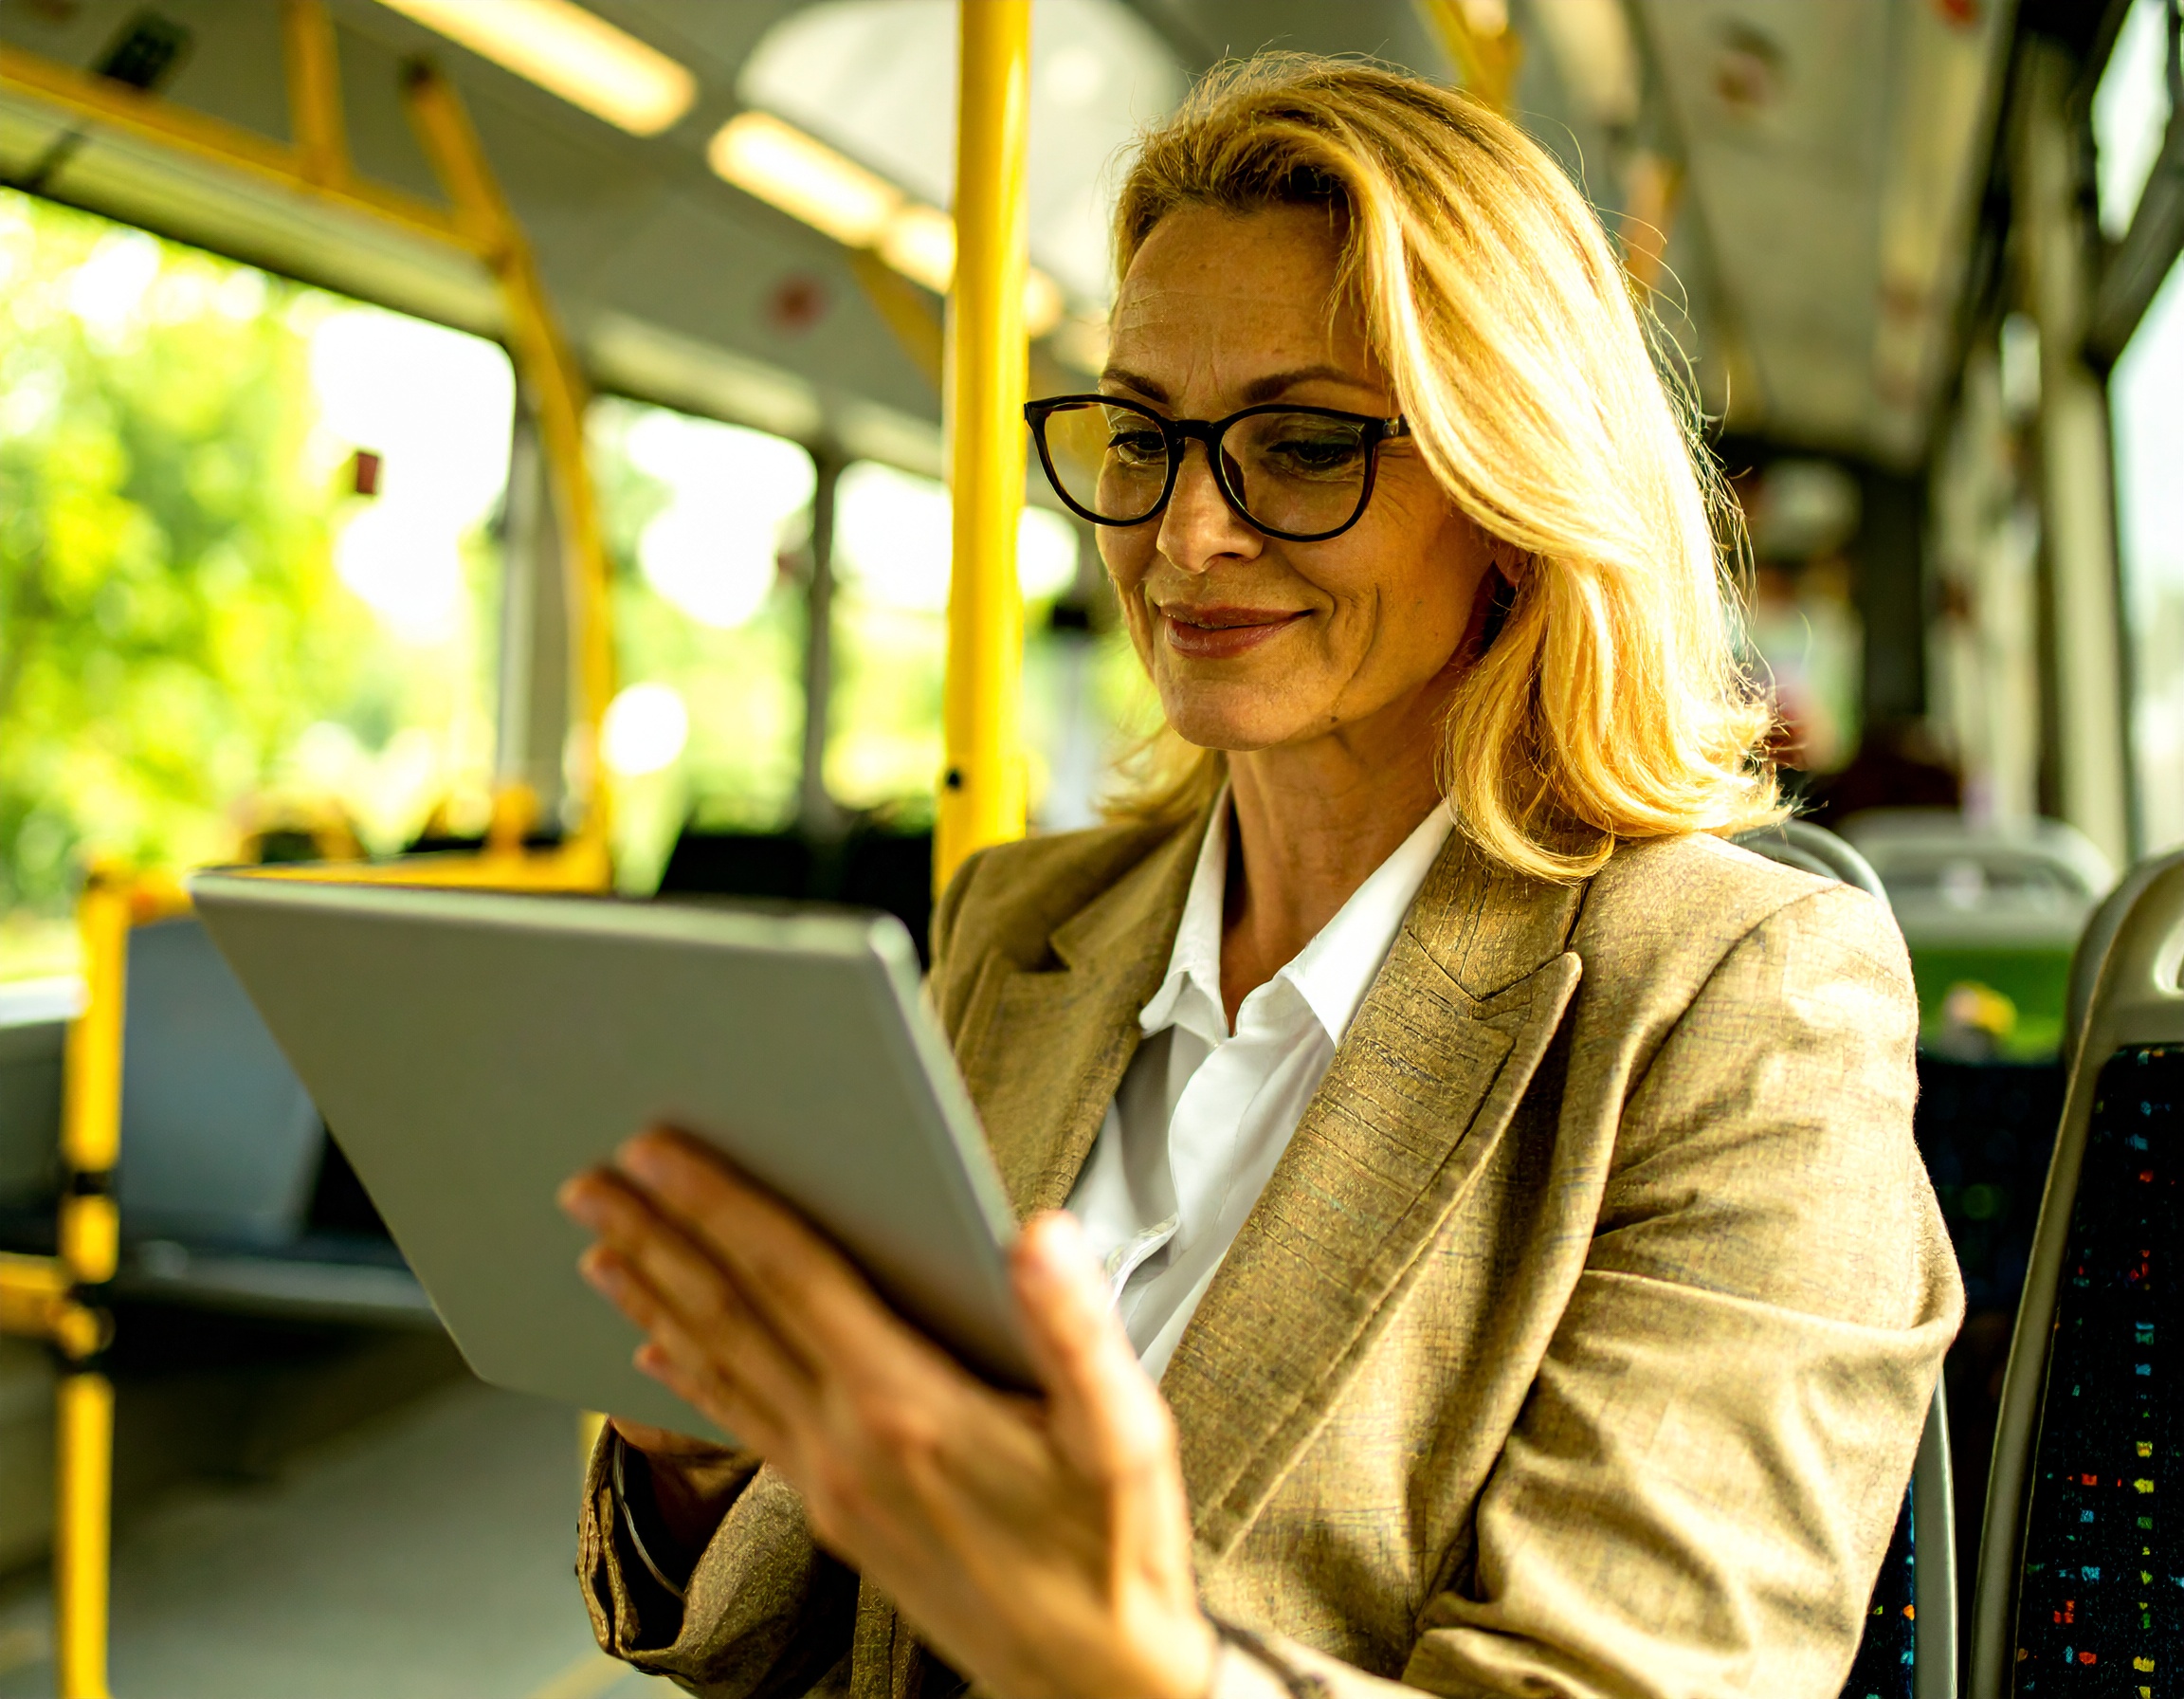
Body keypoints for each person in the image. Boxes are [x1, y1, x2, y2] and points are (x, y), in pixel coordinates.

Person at [557, 55, 1960, 1699]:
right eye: (1143, 436)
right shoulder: (1024, 929)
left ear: (1515, 493)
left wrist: (1141, 1672)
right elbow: (823, 1632)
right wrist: (704, 1444)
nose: (1187, 534)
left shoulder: (1743, 1005)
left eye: (1300, 446)